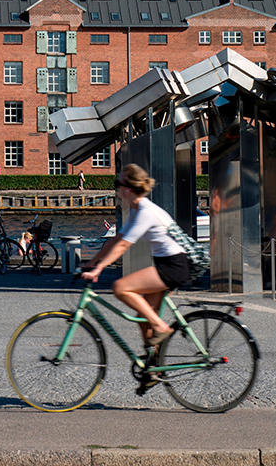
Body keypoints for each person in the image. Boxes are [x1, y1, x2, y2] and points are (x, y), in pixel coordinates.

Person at [82, 163, 188, 389]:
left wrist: (99, 269)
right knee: (143, 316)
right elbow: (116, 238)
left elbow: (122, 246)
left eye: (117, 184)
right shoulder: (138, 209)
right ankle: (152, 367)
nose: (116, 188)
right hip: (168, 263)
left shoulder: (145, 212)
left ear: (127, 189)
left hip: (173, 264)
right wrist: (92, 261)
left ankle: (162, 327)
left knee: (121, 287)